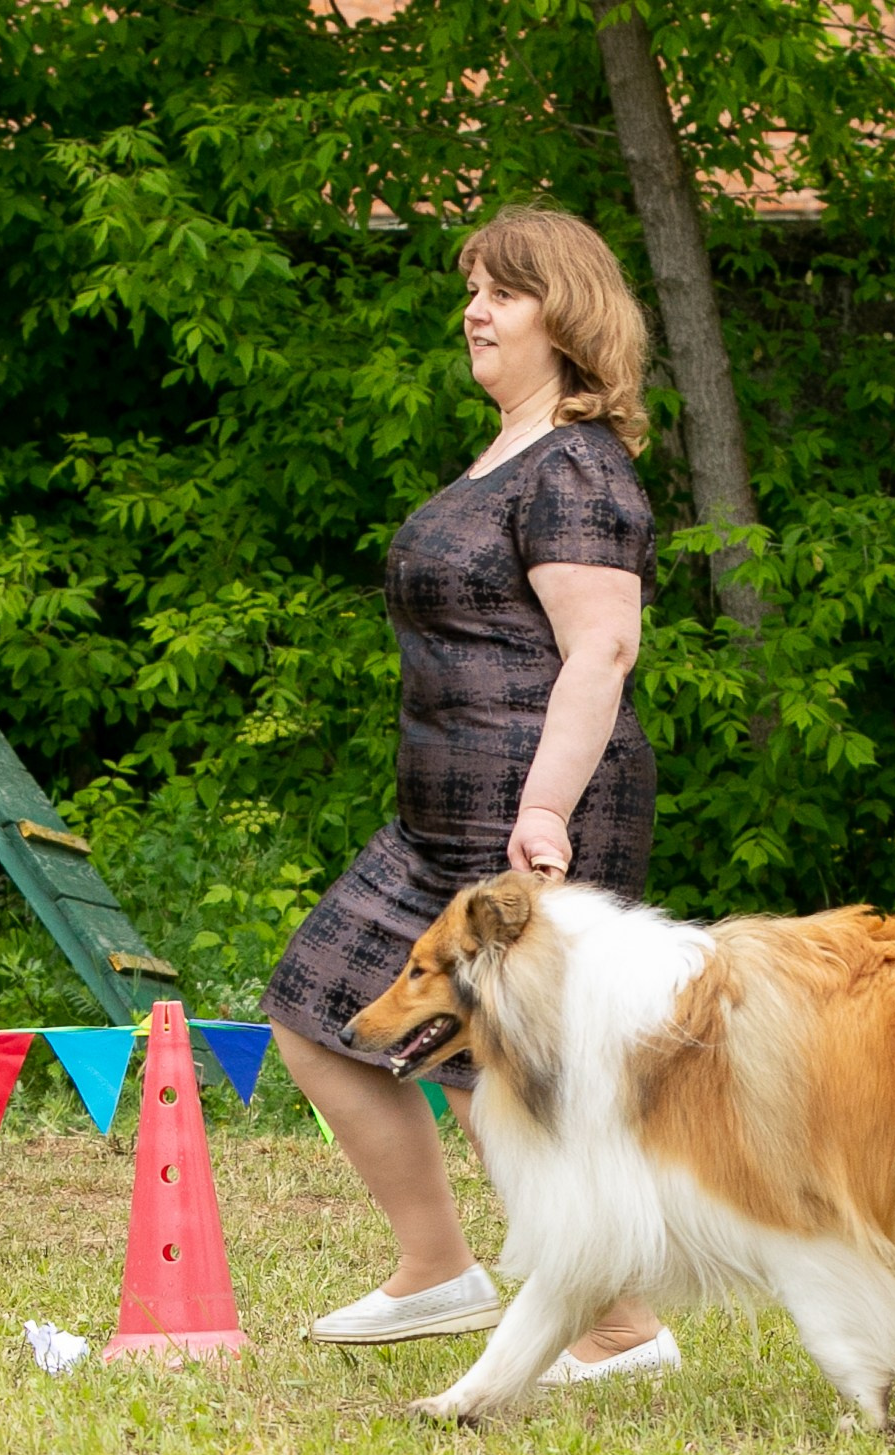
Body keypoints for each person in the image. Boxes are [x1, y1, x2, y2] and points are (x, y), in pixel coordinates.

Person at [261, 205, 675, 1381]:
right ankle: (439, 1271)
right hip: (442, 812)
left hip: (529, 812)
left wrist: (543, 813)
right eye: (472, 290)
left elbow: (601, 652)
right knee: (322, 1010)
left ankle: (617, 1326)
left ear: (568, 314)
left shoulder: (580, 468)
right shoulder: (510, 452)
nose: (474, 311)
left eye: (502, 291)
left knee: (526, 1071)